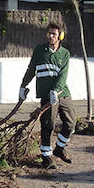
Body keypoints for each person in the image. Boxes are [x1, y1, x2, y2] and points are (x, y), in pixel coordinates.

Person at [19, 22, 76, 170]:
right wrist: (23, 85)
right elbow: (31, 70)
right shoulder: (39, 51)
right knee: (48, 126)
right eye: (49, 33)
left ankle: (59, 148)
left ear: (60, 36)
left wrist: (56, 90)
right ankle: (46, 157)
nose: (51, 36)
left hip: (62, 93)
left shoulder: (65, 54)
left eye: (54, 34)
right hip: (46, 95)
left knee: (71, 123)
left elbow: (63, 75)